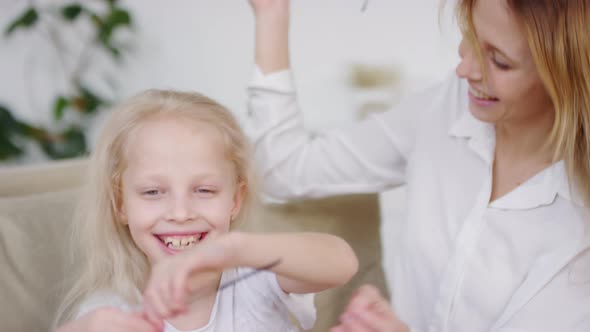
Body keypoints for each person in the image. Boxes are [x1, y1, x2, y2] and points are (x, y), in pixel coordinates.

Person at [246, 0, 590, 331]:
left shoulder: (578, 223)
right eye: (468, 37)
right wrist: (271, 13)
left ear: (567, 75)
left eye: (498, 61)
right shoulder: (447, 107)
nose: (465, 69)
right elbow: (285, 171)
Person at [53, 89, 359, 332]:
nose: (181, 212)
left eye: (204, 190)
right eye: (153, 192)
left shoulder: (258, 278)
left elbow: (342, 262)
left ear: (235, 200)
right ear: (120, 205)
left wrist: (238, 248)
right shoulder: (109, 314)